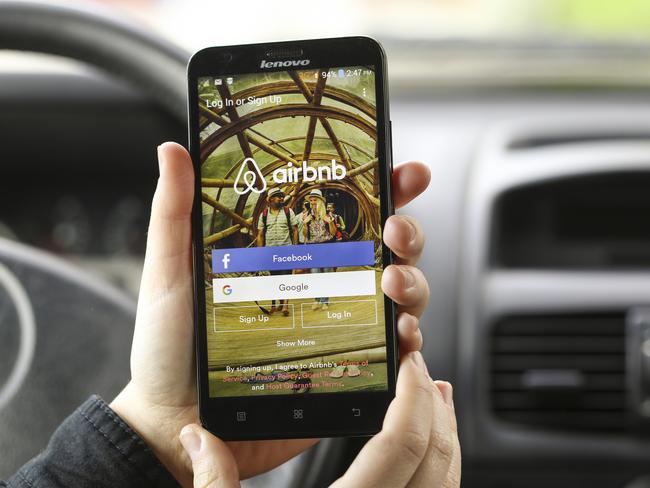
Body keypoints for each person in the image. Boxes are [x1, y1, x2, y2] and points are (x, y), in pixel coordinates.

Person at [0, 142, 460, 488]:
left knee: (325, 287)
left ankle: (310, 302)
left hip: (297, 261)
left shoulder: (307, 220)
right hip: (278, 259)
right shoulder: (274, 220)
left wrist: (153, 430)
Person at [256, 187, 298, 316]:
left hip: (286, 250)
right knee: (275, 278)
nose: (281, 198)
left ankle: (285, 305)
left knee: (286, 277)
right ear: (270, 199)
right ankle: (277, 303)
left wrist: (295, 248)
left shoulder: (287, 211)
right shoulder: (263, 215)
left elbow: (295, 229)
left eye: (282, 196)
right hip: (271, 252)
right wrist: (260, 253)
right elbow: (260, 234)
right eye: (278, 196)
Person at [303, 189, 337, 311]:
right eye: (311, 200)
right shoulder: (306, 215)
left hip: (326, 247)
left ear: (320, 201)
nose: (312, 202)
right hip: (313, 248)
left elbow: (333, 233)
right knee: (315, 274)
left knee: (326, 274)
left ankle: (325, 301)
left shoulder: (328, 215)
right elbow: (305, 235)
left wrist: (330, 223)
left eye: (315, 200)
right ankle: (317, 300)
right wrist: (305, 224)